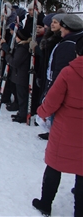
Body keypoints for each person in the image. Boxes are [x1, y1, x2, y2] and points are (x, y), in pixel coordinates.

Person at [33, 37, 83, 217]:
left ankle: (45, 204)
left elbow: (52, 100)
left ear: (77, 52)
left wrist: (42, 111)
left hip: (65, 129)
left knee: (54, 165)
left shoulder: (68, 73)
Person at [0, 26, 32, 123]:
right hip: (18, 75)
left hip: (21, 76)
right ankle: (21, 112)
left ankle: (23, 115)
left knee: (22, 96)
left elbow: (15, 62)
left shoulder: (23, 48)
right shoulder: (20, 46)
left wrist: (8, 56)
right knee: (19, 95)